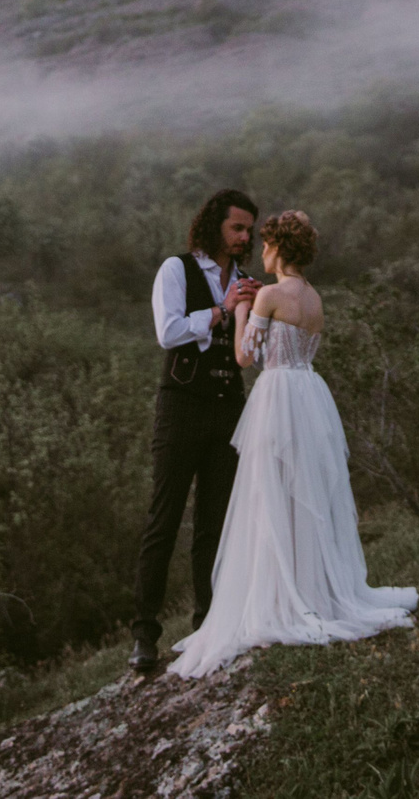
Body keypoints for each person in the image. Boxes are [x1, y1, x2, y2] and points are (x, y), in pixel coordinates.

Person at [167, 209, 415, 679]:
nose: (260, 251)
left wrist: (241, 309)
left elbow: (245, 357)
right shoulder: (316, 299)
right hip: (310, 394)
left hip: (277, 395)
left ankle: (280, 594)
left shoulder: (271, 296)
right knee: (307, 493)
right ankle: (311, 586)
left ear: (278, 248)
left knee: (270, 492)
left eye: (264, 244)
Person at [129, 188, 262, 674]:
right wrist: (223, 309)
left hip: (229, 408)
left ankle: (208, 623)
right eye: (237, 228)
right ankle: (144, 635)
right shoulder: (176, 269)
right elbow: (168, 332)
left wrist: (262, 315)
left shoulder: (247, 280)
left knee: (215, 524)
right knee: (163, 521)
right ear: (214, 226)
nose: (245, 237)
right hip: (181, 406)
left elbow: (249, 350)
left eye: (249, 229)